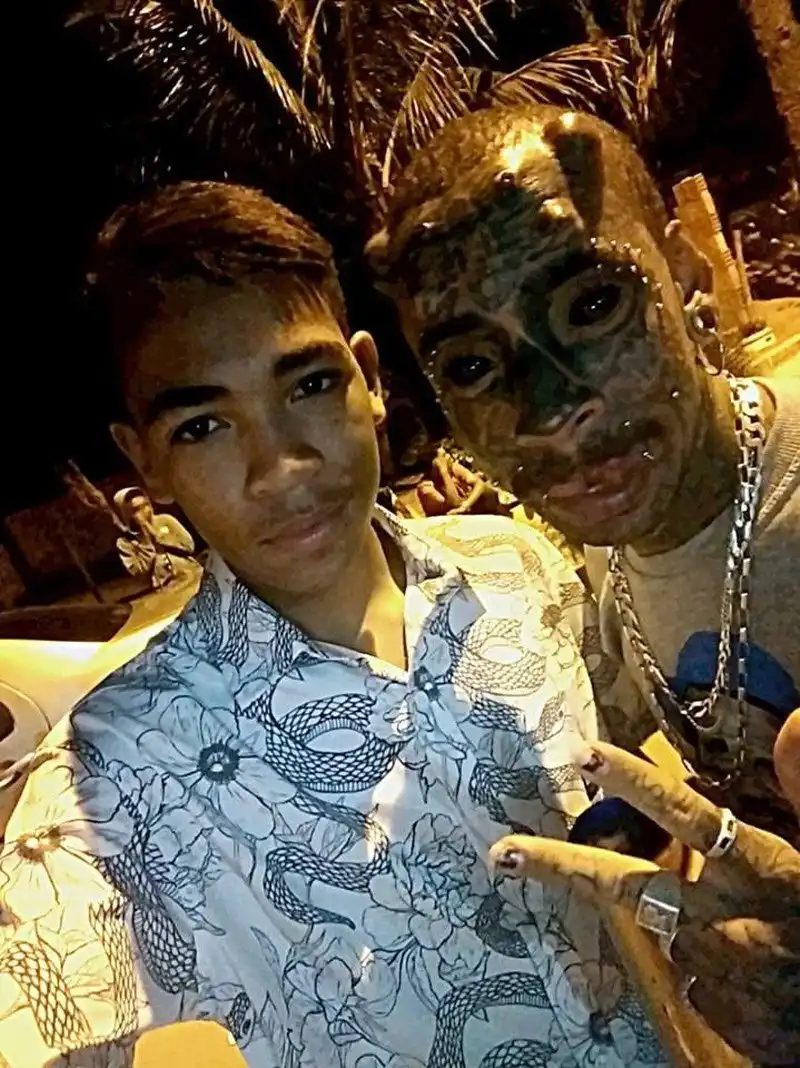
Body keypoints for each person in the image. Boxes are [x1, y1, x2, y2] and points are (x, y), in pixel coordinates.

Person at [0, 182, 669, 1067]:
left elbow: (636, 794)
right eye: (203, 427)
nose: (280, 468)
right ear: (145, 462)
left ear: (370, 379)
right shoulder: (112, 779)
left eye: (309, 386)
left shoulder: (518, 569)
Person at [366, 101, 800, 1061]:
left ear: (686, 272)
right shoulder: (616, 543)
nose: (550, 410)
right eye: (474, 365)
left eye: (592, 307)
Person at [113, 486, 196, 589]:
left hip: (190, 572)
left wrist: (159, 537)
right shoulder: (125, 542)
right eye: (136, 509)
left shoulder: (166, 520)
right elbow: (139, 572)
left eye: (146, 505)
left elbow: (189, 546)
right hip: (165, 586)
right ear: (126, 514)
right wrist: (146, 541)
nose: (145, 511)